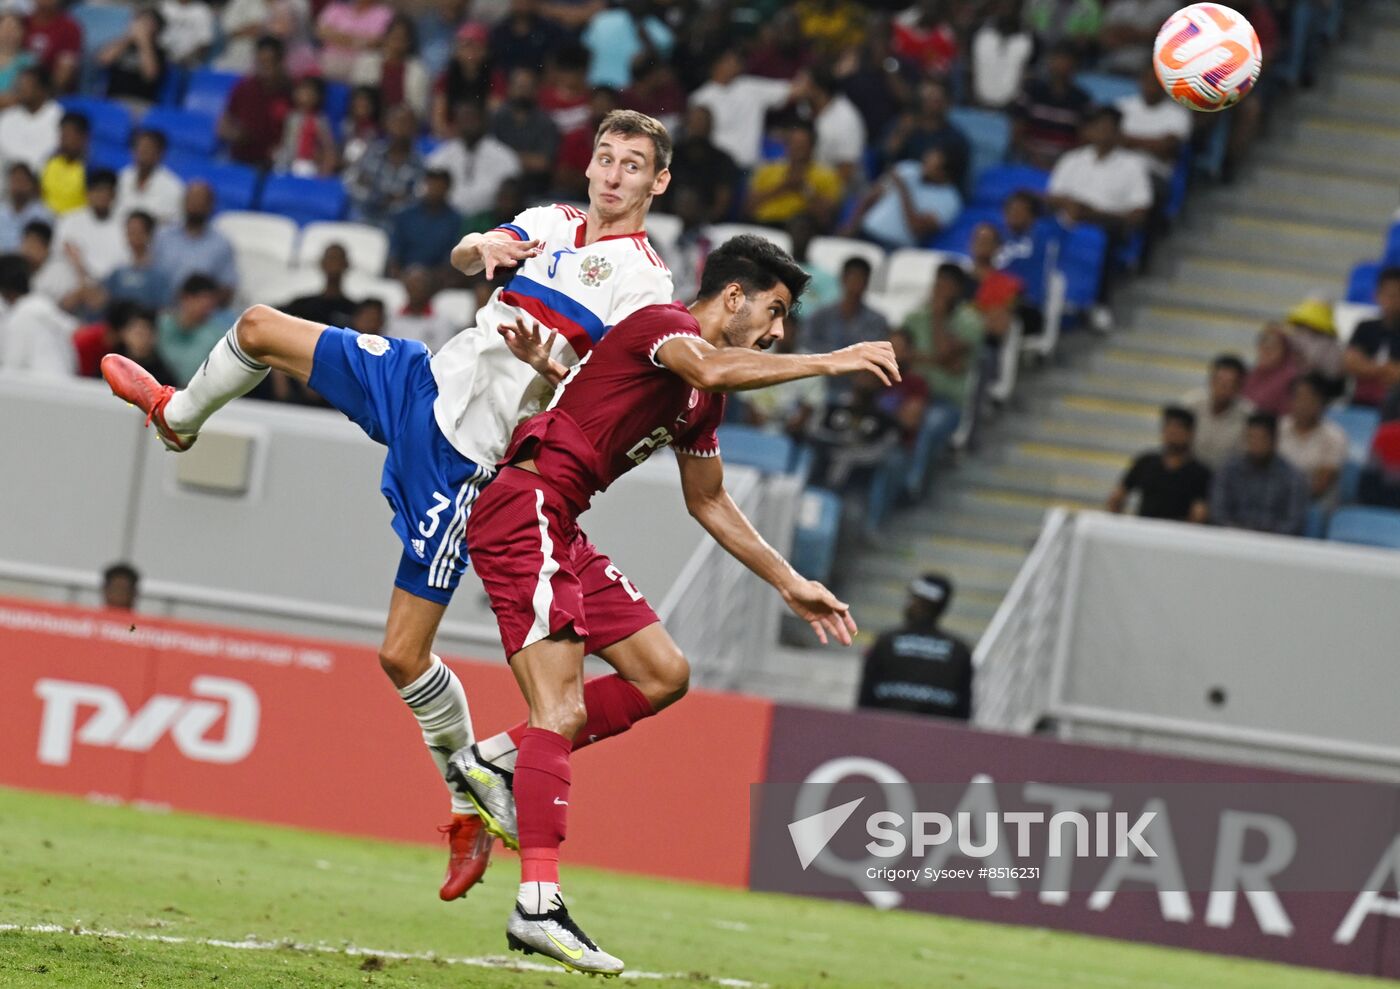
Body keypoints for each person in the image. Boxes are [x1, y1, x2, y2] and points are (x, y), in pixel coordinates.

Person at [99, 110, 678, 905]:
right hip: (421, 383)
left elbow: (599, 399)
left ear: (658, 182)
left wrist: (551, 374)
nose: (613, 173)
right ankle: (177, 417)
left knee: (402, 656)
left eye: (633, 164)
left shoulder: (647, 285)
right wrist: (483, 248)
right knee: (261, 326)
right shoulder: (553, 221)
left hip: (468, 462)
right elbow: (467, 250)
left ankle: (463, 802)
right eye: (605, 158)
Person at [448, 234, 894, 974]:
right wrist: (830, 359)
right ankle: (538, 903)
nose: (779, 330)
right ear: (731, 297)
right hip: (525, 506)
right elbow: (716, 362)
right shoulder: (665, 327)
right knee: (557, 713)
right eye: (774, 311)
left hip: (562, 522)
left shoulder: (703, 397)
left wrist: (790, 582)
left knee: (663, 672)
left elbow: (709, 499)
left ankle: (494, 758)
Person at [858, 573, 972, 719]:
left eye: (912, 598)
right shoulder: (959, 651)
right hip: (936, 739)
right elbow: (963, 716)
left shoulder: (885, 642)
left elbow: (863, 706)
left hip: (885, 735)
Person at [688, 49, 793, 170]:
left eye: (737, 62)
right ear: (716, 64)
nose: (736, 65)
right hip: (717, 168)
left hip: (749, 167)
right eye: (730, 61)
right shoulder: (699, 98)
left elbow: (792, 91)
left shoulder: (749, 87)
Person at [1107, 405, 1212, 522]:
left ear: (1190, 433)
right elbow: (1118, 496)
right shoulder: (1146, 462)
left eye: (1178, 428)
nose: (1172, 433)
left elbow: (1199, 513)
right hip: (1143, 527)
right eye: (1169, 427)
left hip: (1176, 533)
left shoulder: (1200, 473)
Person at [1210, 413, 1309, 535]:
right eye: (1251, 437)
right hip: (1232, 539)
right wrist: (1238, 533)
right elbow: (1218, 513)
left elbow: (1294, 522)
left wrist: (1265, 538)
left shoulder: (1292, 477)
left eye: (1262, 438)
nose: (1255, 444)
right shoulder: (1229, 471)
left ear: (1274, 440)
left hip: (1274, 544)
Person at [425, 101, 523, 224]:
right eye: (464, 119)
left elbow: (512, 199)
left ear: (484, 121)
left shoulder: (505, 157)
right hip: (446, 223)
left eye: (473, 118)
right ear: (456, 123)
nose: (469, 124)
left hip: (490, 223)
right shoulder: (440, 156)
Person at [848, 146, 962, 251]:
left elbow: (917, 228)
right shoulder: (908, 168)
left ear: (944, 173)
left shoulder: (950, 200)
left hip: (894, 247)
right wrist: (852, 225)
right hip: (865, 231)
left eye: (931, 165)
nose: (924, 165)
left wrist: (904, 190)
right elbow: (873, 196)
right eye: (927, 160)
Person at [152, 182, 238, 305]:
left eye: (200, 200)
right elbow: (149, 272)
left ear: (210, 205)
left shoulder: (221, 244)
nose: (194, 205)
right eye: (191, 199)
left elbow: (227, 288)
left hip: (200, 315)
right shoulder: (164, 236)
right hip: (159, 308)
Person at [745, 122, 842, 228]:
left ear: (812, 147)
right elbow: (748, 208)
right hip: (763, 226)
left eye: (802, 144)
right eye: (793, 143)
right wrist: (784, 186)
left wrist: (803, 188)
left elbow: (826, 217)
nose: (797, 149)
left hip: (799, 231)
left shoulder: (826, 176)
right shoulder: (768, 170)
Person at [1013, 43, 1091, 170]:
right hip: (1029, 160)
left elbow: (1083, 139)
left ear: (1075, 66)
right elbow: (1017, 132)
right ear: (1049, 62)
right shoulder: (1031, 91)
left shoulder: (1082, 100)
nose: (1061, 65)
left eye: (1066, 61)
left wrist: (1064, 163)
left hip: (1064, 164)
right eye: (1057, 59)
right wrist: (1034, 157)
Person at [344, 105, 423, 230]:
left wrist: (376, 192)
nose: (401, 128)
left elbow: (415, 203)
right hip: (365, 219)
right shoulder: (371, 153)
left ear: (415, 129)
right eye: (397, 122)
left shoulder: (420, 165)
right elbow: (354, 186)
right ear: (387, 124)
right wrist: (385, 197)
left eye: (407, 123)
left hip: (398, 228)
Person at [220, 35, 293, 168]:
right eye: (262, 61)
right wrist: (234, 135)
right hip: (240, 157)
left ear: (280, 62)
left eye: (271, 61)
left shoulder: (291, 92)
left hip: (275, 163)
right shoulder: (244, 87)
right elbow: (223, 124)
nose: (266, 67)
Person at [881, 77, 969, 185]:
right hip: (898, 185)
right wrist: (901, 134)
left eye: (934, 100)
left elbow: (958, 181)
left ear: (947, 103)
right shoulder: (903, 127)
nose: (928, 104)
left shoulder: (954, 139)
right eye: (925, 99)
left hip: (934, 193)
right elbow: (883, 159)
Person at [0, 250, 75, 376]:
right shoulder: (43, 304)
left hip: (43, 388)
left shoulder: (21, 316)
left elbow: (10, 366)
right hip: (65, 381)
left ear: (5, 290)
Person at [1278, 372, 1347, 503]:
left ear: (1322, 402)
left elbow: (1320, 486)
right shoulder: (1278, 428)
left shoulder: (1334, 437)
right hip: (1272, 498)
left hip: (1312, 502)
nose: (1302, 404)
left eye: (1309, 398)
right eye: (1298, 397)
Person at [802, 256, 888, 356]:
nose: (856, 283)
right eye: (853, 277)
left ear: (867, 282)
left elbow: (875, 353)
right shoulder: (820, 317)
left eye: (861, 278)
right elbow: (807, 346)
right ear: (843, 279)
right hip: (825, 368)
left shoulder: (876, 321)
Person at [351, 13, 430, 119]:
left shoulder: (418, 70)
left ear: (409, 42)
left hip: (403, 120)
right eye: (394, 36)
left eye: (402, 38)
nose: (397, 42)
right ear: (386, 37)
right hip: (373, 117)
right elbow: (360, 97)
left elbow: (418, 107)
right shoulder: (367, 62)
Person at [1183, 353, 1252, 471]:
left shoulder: (1248, 415)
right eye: (1219, 381)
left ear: (1239, 386)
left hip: (1226, 478)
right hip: (1189, 473)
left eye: (1229, 383)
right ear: (1210, 381)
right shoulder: (1191, 405)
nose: (1222, 388)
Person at [156, 273, 228, 386]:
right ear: (185, 298)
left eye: (211, 307)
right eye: (203, 304)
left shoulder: (216, 336)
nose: (207, 311)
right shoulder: (159, 325)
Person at [1344, 266, 1400, 408]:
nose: (1393, 300)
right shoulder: (1365, 327)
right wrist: (1385, 369)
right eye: (1389, 294)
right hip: (1361, 402)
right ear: (1377, 295)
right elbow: (1350, 362)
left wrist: (1368, 368)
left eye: (1397, 295)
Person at [98, 6, 167, 109]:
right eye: (139, 21)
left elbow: (150, 75)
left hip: (139, 102)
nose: (141, 27)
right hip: (111, 99)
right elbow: (103, 60)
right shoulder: (121, 45)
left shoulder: (159, 52)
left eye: (147, 23)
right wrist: (128, 38)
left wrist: (144, 41)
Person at [116, 129, 185, 226]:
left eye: (147, 149)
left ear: (160, 153)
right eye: (138, 148)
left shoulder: (174, 188)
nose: (141, 153)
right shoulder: (122, 177)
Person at [315, 0, 393, 82]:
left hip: (361, 62)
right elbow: (321, 32)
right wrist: (358, 40)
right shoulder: (336, 7)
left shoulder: (384, 13)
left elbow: (376, 41)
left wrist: (337, 37)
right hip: (330, 59)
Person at [105, 210, 169, 311]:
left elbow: (163, 308)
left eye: (137, 231)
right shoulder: (117, 272)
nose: (133, 236)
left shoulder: (160, 273)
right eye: (129, 231)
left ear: (149, 234)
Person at [283, 243, 359, 328]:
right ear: (322, 264)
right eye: (330, 259)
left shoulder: (357, 312)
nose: (334, 264)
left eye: (338, 259)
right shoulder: (301, 305)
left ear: (346, 265)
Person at [0, 66, 59, 174]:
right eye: (19, 85)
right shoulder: (6, 118)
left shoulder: (58, 118)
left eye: (26, 85)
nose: (20, 89)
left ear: (42, 89)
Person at [275, 75, 337, 177]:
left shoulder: (319, 121)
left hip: (306, 162)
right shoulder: (291, 117)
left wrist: (326, 166)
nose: (304, 95)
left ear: (317, 97)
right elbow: (286, 140)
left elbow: (327, 145)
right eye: (301, 91)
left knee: (303, 170)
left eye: (308, 93)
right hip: (288, 160)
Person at [390, 266, 456, 352]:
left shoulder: (442, 321)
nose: (415, 290)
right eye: (411, 286)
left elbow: (442, 353)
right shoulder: (392, 317)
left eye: (419, 285)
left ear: (428, 288)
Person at [24, 0, 81, 95]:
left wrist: (43, 95)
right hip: (16, 89)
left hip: (50, 94)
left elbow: (65, 71)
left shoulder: (70, 28)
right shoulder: (22, 23)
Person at [1241, 323, 1299, 417]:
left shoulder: (1292, 379)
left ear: (1285, 351)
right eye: (1263, 343)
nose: (1266, 350)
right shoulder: (1251, 376)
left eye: (1273, 346)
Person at [40, 110, 88, 215]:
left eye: (68, 134)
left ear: (83, 137)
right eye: (62, 133)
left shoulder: (90, 168)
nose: (63, 139)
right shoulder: (49, 163)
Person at [0, 162, 52, 251]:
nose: (18, 187)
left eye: (22, 181)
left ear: (31, 185)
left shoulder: (43, 215)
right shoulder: (2, 211)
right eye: (15, 181)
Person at [158, 0, 216, 68]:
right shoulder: (164, 7)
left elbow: (205, 42)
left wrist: (187, 59)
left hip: (190, 65)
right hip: (163, 61)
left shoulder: (202, 10)